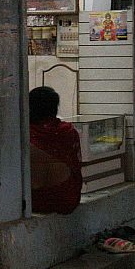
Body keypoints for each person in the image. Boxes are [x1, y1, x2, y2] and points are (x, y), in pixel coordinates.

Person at [28, 86, 82, 214]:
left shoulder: (24, 134)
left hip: (33, 201)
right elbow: (76, 165)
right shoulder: (68, 132)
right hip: (66, 199)